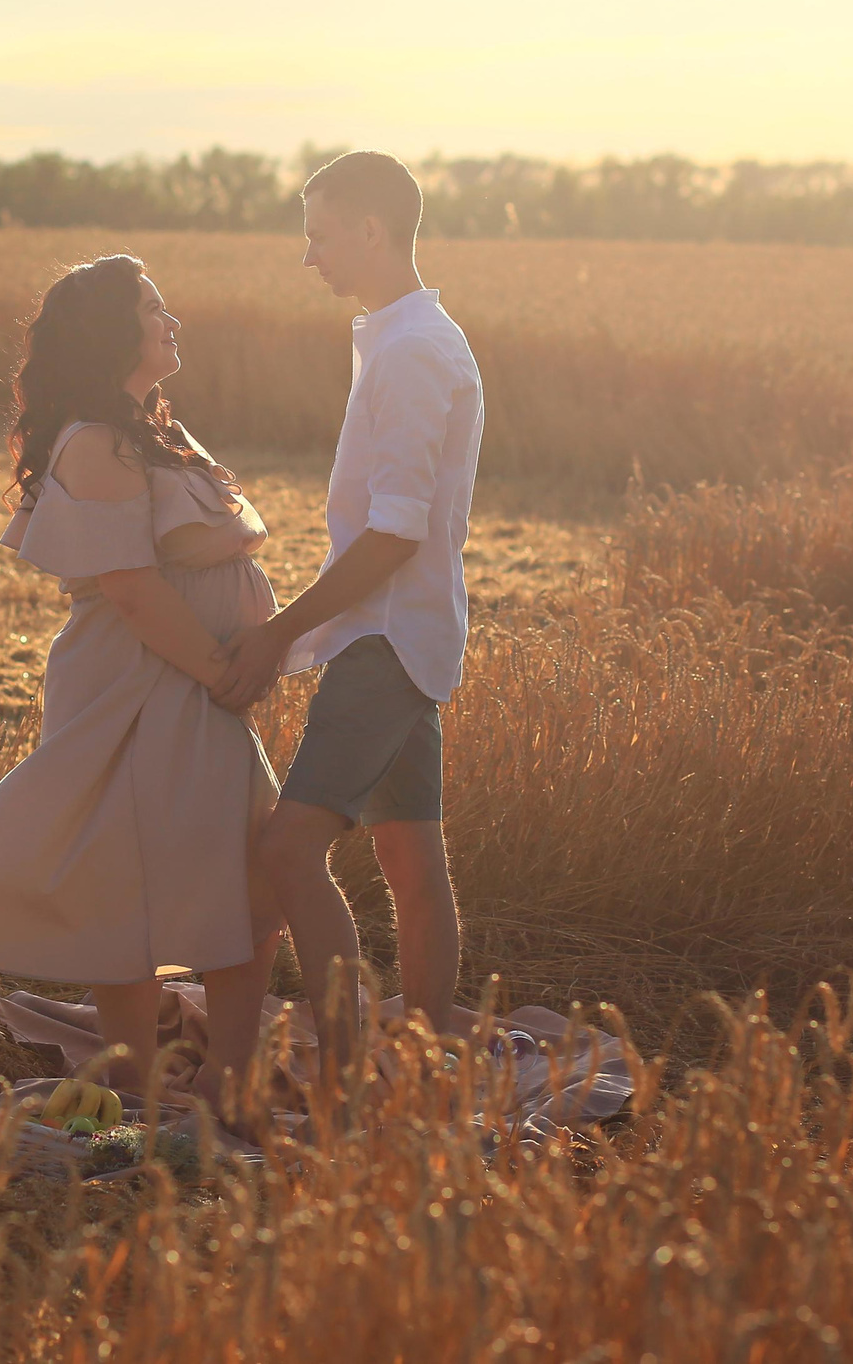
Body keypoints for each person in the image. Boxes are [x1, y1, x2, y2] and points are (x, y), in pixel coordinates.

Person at [0, 255, 285, 1112]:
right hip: (147, 683)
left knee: (246, 868)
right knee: (133, 879)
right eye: (154, 307)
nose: (173, 320)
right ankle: (149, 1083)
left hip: (193, 684)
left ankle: (226, 1066)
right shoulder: (95, 440)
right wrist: (226, 671)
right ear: (114, 331)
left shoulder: (150, 425)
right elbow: (132, 588)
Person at [214, 150, 486, 1083]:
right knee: (412, 853)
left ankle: (344, 1079)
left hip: (386, 635)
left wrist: (281, 628)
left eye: (320, 234)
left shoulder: (413, 352)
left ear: (373, 229)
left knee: (289, 852)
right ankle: (431, 1047)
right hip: (410, 631)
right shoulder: (404, 334)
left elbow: (394, 533)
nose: (309, 256)